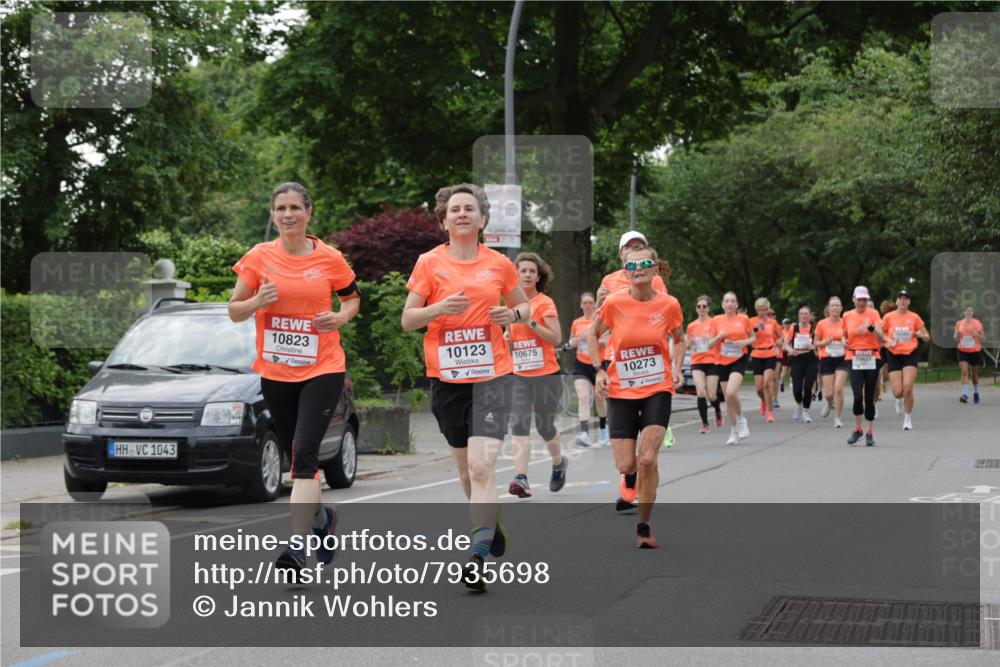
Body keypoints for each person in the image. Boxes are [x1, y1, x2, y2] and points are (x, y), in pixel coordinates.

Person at [401, 183, 530, 591]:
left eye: (469, 209)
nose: (461, 214)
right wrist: (439, 308)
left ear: (482, 219)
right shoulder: (428, 263)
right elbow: (408, 320)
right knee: (466, 471)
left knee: (481, 466)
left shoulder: (499, 264)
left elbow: (524, 305)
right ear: (443, 220)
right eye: (454, 209)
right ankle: (490, 524)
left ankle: (477, 555)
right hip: (448, 379)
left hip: (493, 374)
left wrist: (511, 313)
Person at [229, 182, 361, 572]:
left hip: (323, 368)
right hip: (275, 371)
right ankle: (322, 520)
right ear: (273, 214)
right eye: (280, 208)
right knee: (295, 459)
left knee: (304, 456)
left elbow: (352, 297)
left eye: (295, 208)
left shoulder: (330, 258)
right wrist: (256, 302)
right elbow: (235, 310)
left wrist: (340, 317)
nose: (288, 215)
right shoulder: (258, 257)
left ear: (308, 213)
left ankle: (297, 547)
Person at [587, 246, 685, 548]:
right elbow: (592, 335)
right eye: (633, 265)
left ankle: (644, 526)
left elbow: (679, 339)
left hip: (657, 387)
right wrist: (599, 370)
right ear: (625, 272)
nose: (639, 268)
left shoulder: (669, 305)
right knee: (627, 464)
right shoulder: (614, 303)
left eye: (645, 264)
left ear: (655, 270)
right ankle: (627, 478)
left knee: (647, 459)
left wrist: (677, 368)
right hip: (621, 389)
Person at [507, 252, 568, 497]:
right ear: (516, 275)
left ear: (539, 276)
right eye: (523, 270)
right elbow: (511, 337)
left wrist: (530, 322)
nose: (528, 275)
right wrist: (506, 339)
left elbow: (555, 338)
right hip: (519, 375)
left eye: (533, 271)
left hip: (546, 374)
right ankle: (521, 477)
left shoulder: (545, 303)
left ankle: (558, 463)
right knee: (519, 423)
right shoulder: (509, 304)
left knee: (545, 427)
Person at [707, 292, 756, 445]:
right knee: (728, 401)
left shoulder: (743, 319)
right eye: (727, 301)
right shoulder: (716, 320)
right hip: (722, 361)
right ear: (722, 304)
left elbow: (753, 337)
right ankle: (734, 431)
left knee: (730, 391)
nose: (729, 304)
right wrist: (718, 337)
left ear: (737, 305)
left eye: (732, 301)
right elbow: (709, 344)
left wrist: (744, 343)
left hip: (739, 359)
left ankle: (741, 420)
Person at [882, 289, 930, 430]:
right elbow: (880, 334)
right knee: (898, 392)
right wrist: (887, 340)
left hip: (910, 353)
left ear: (909, 302)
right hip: (894, 354)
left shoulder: (914, 317)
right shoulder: (888, 317)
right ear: (896, 301)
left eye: (905, 298)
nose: (903, 301)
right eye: (900, 298)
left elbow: (927, 337)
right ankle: (898, 399)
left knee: (908, 387)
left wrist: (921, 335)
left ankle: (907, 418)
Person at [843, 286, 885, 446]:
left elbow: (881, 336)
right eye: (859, 299)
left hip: (872, 357)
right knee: (857, 396)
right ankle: (858, 429)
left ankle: (869, 432)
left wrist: (871, 328)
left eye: (865, 300)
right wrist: (843, 341)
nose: (862, 302)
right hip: (853, 357)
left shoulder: (873, 314)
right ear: (853, 299)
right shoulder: (846, 315)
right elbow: (843, 334)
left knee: (869, 396)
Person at [569, 292, 609, 446]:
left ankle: (603, 429)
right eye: (584, 303)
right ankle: (584, 433)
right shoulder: (576, 323)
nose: (587, 305)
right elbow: (571, 341)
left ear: (594, 304)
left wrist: (594, 339)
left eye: (590, 302)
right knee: (583, 398)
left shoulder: (600, 320)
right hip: (581, 364)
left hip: (598, 364)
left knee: (600, 399)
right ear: (581, 305)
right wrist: (575, 341)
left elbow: (607, 340)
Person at [687, 295, 723, 433]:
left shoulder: (714, 322)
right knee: (700, 392)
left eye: (704, 306)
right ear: (696, 308)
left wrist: (711, 339)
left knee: (712, 395)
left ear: (708, 308)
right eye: (699, 306)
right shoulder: (691, 326)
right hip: (697, 361)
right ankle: (705, 424)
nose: (701, 309)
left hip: (712, 361)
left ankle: (718, 410)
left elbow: (719, 340)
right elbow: (688, 346)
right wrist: (690, 343)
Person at [816, 296, 849, 428]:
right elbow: (815, 343)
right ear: (829, 309)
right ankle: (830, 404)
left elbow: (852, 339)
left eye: (837, 305)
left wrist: (845, 342)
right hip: (827, 357)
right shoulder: (821, 324)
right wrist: (825, 342)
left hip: (843, 357)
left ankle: (838, 418)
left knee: (839, 389)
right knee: (829, 393)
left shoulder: (846, 322)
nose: (835, 308)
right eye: (833, 305)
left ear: (841, 308)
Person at [748, 298, 783, 423]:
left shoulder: (773, 323)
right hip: (757, 353)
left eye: (763, 309)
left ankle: (769, 412)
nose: (761, 312)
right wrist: (757, 328)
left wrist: (780, 341)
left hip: (770, 353)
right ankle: (764, 400)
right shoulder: (751, 321)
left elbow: (780, 337)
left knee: (767, 383)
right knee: (759, 388)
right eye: (758, 309)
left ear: (767, 310)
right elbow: (748, 335)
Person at [784, 305, 819, 423]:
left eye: (806, 314)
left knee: (808, 386)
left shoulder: (814, 329)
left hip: (810, 358)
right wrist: (790, 350)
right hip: (797, 358)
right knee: (797, 388)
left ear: (809, 316)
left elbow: (819, 345)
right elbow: (785, 344)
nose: (803, 316)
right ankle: (799, 404)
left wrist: (814, 346)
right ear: (798, 316)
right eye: (801, 314)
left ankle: (805, 412)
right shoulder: (793, 328)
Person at [955, 306, 986, 404]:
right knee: (964, 372)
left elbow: (984, 338)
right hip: (962, 350)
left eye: (970, 311)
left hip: (974, 351)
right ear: (964, 312)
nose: (968, 312)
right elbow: (956, 338)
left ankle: (976, 392)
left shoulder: (977, 323)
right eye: (967, 311)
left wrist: (977, 335)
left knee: (974, 375)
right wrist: (957, 335)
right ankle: (965, 395)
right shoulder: (959, 323)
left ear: (973, 313)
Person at [779, 317, 792, 394]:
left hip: (790, 352)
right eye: (785, 324)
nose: (786, 325)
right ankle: (782, 382)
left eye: (788, 323)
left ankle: (791, 383)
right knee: (784, 370)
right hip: (784, 352)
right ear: (782, 325)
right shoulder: (781, 332)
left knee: (791, 369)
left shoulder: (791, 331)